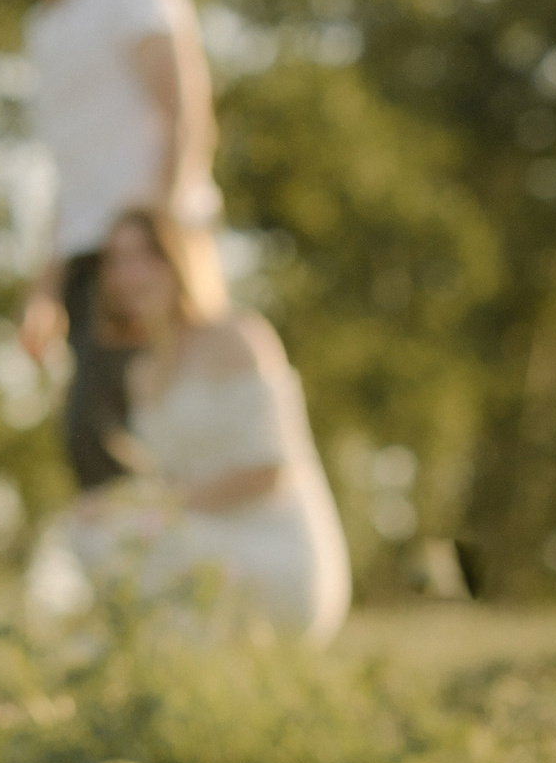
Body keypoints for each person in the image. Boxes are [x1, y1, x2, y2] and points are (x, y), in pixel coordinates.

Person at [35, 208, 351, 644]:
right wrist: (123, 504)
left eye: (147, 256)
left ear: (179, 260)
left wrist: (140, 509)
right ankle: (101, 655)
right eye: (118, 261)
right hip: (206, 544)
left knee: (109, 536)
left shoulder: (238, 338)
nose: (131, 274)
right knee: (81, 526)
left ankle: (101, 653)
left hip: (279, 557)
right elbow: (171, 483)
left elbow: (272, 472)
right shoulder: (141, 374)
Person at [9, 0, 222, 492]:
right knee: (94, 430)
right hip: (85, 253)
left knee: (118, 426)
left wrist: (163, 242)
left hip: (143, 248)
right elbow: (68, 168)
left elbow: (185, 112)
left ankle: (156, 573)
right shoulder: (45, 26)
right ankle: (142, 574)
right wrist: (45, 288)